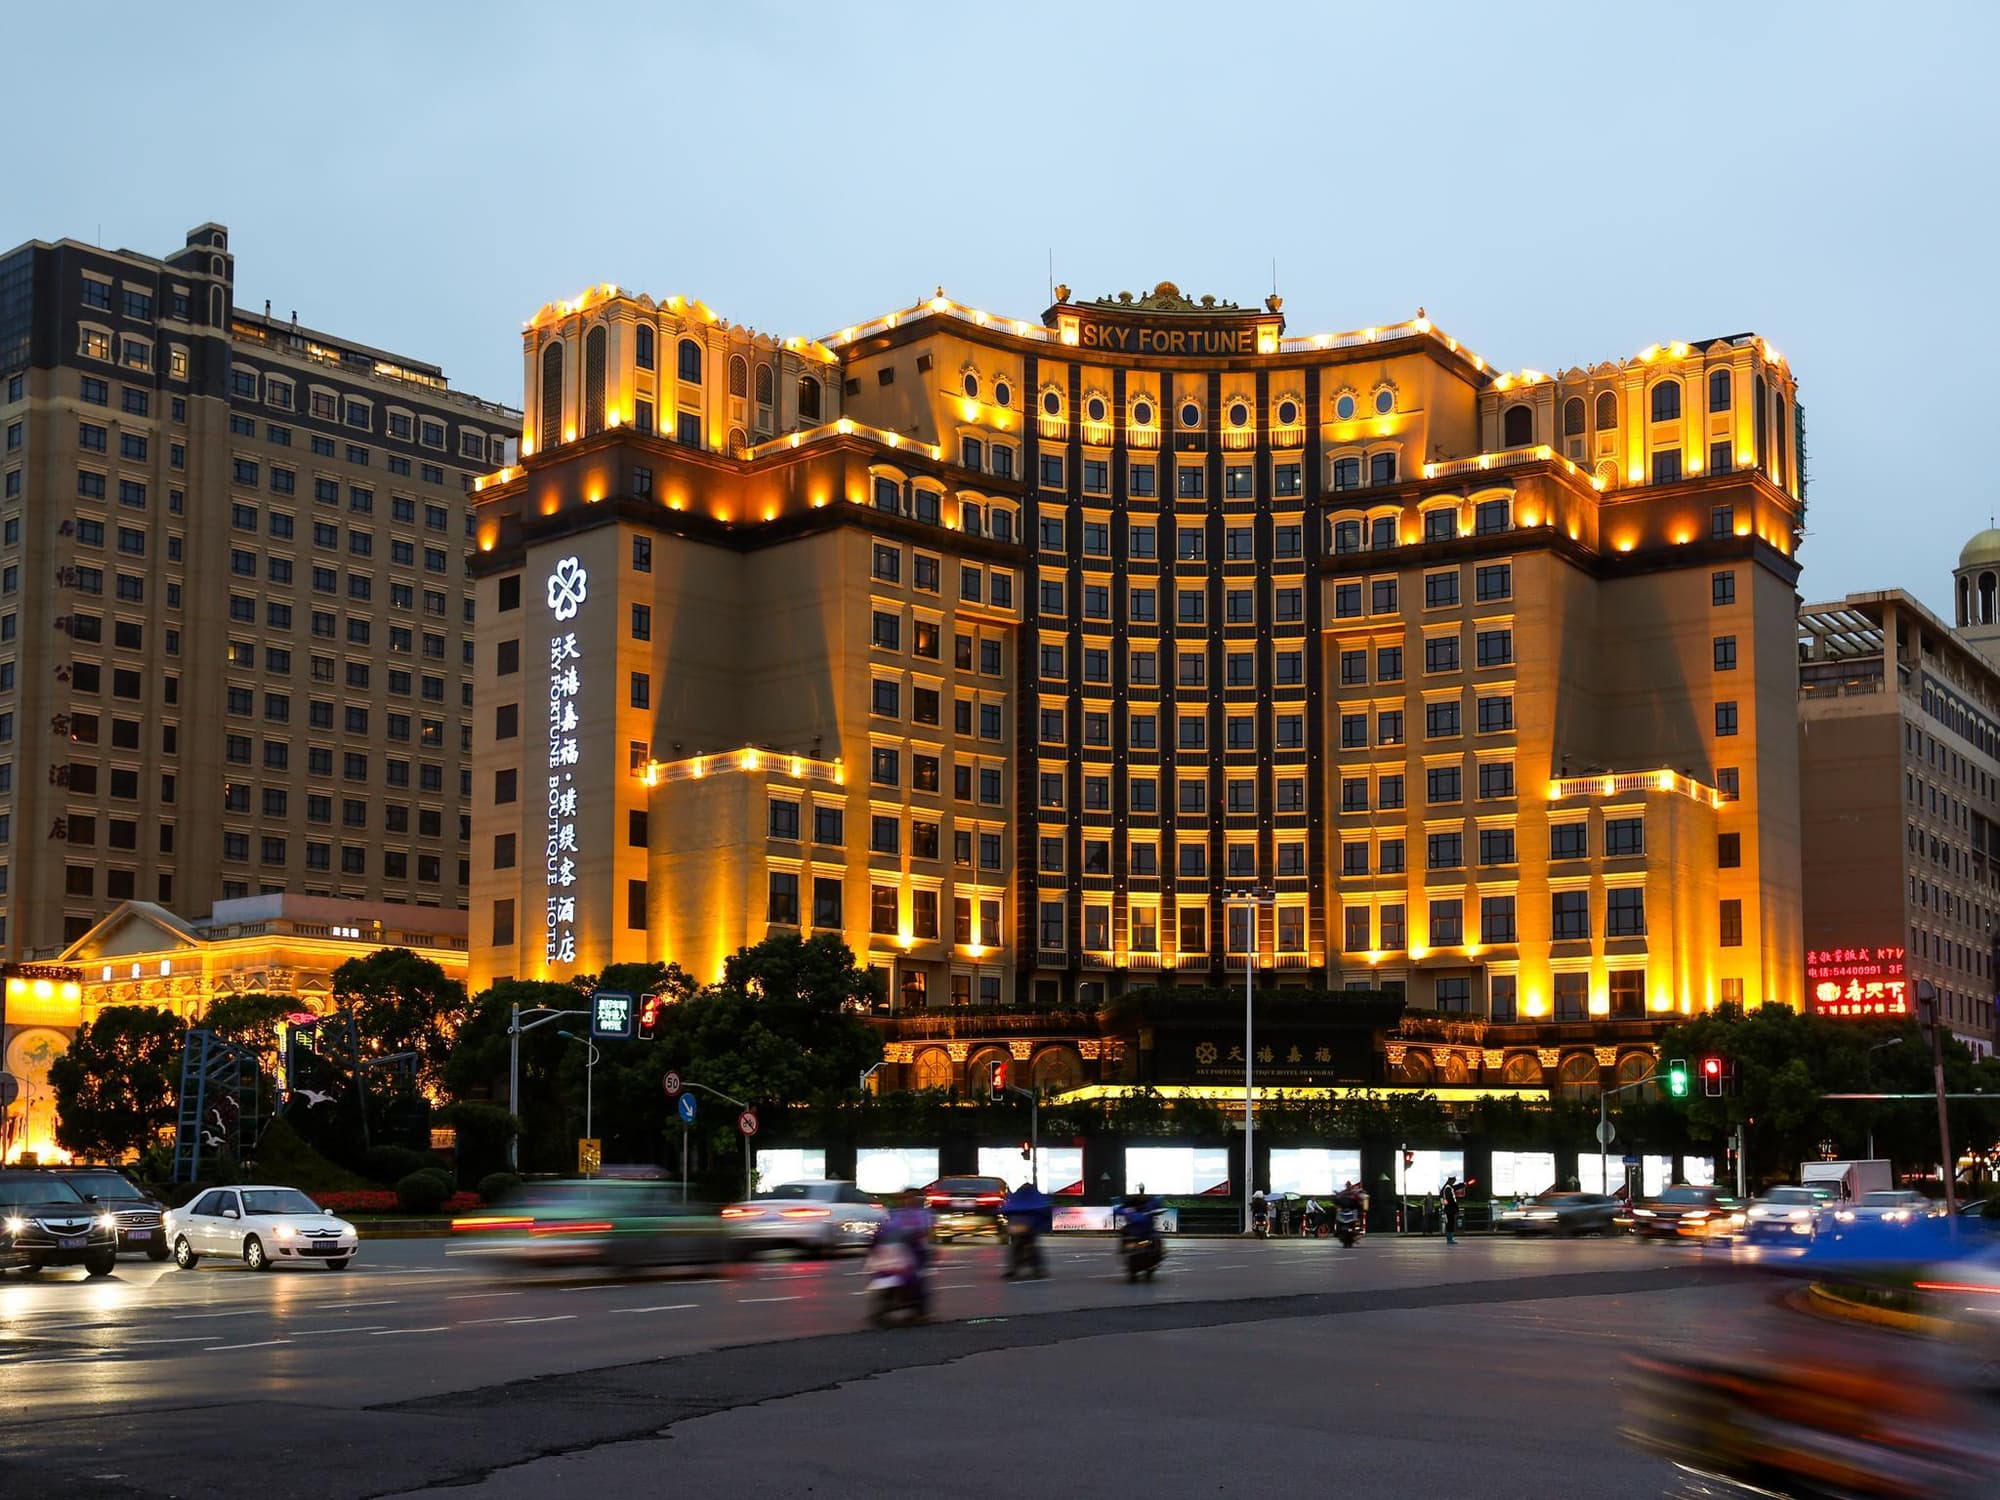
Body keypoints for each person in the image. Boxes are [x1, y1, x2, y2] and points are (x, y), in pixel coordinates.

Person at [877, 1191, 935, 1316]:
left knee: (918, 1277)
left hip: (918, 1250)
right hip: (897, 1250)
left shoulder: (923, 1214)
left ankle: (921, 1309)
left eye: (910, 1198)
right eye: (904, 1198)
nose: (907, 1201)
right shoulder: (895, 1213)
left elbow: (926, 1231)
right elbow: (885, 1229)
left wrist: (917, 1237)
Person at [1000, 1179, 1053, 1278]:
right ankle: (1036, 1269)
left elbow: (1006, 1209)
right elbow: (1044, 1211)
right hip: (1028, 1228)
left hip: (1024, 1228)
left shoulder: (1018, 1199)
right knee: (1026, 1247)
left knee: (1019, 1248)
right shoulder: (1035, 1200)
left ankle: (1018, 1269)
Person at [1440, 1173, 1463, 1245]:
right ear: (1451, 1180)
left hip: (1449, 1208)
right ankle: (1449, 1239)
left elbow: (1455, 1187)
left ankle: (1450, 1238)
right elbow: (1451, 1200)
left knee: (1450, 1223)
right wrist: (1456, 1207)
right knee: (1450, 1223)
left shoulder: (1448, 1187)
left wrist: (1463, 1184)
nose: (1454, 1182)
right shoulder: (1448, 1188)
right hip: (1449, 1209)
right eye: (1454, 1180)